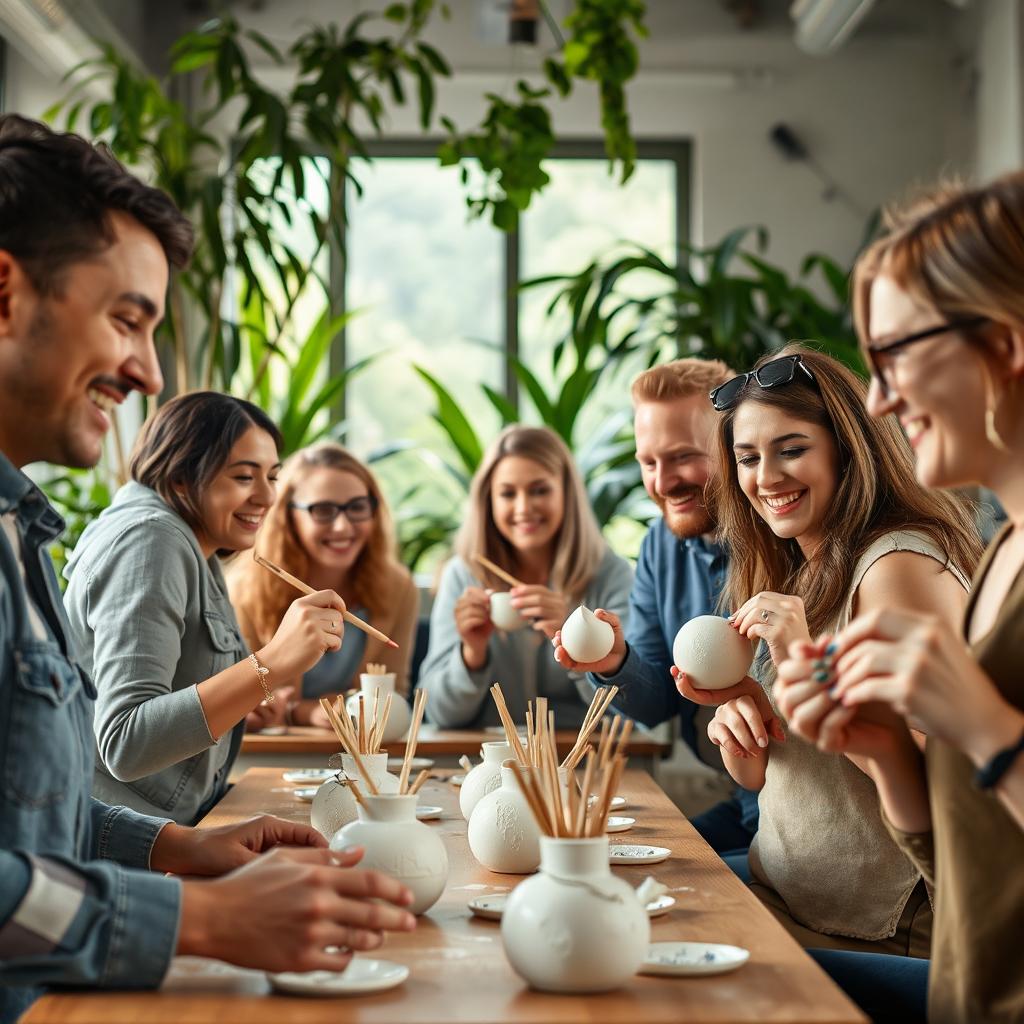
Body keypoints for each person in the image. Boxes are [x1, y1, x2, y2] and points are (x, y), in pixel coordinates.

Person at [0, 114, 414, 1024]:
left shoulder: (19, 529)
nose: (148, 372)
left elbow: (37, 816)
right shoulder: (148, 537)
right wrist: (198, 912)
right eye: (126, 319)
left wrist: (179, 851)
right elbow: (122, 743)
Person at [777, 177, 1024, 1023]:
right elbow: (969, 869)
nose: (876, 401)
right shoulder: (1001, 557)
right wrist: (887, 753)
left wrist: (983, 728)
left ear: (1004, 342)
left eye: (895, 358)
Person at [693, 342, 980, 957]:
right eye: (748, 458)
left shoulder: (897, 566)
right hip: (787, 892)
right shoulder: (802, 565)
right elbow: (777, 774)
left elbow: (948, 793)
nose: (765, 478)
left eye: (791, 449)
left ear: (848, 450)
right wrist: (743, 720)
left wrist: (807, 674)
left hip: (879, 928)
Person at [64, 392, 349, 825]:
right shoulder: (151, 541)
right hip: (123, 849)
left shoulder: (194, 542)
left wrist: (244, 699)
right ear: (181, 477)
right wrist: (269, 664)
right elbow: (125, 741)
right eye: (243, 477)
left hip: (170, 826)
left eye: (272, 476)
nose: (267, 496)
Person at [553, 358, 762, 857]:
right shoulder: (659, 545)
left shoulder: (779, 536)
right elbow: (656, 705)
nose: (663, 482)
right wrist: (614, 662)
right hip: (746, 799)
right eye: (649, 462)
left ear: (733, 447)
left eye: (684, 456)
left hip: (790, 810)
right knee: (615, 861)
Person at [418, 425, 633, 729]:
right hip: (487, 760)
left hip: (581, 760)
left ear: (567, 494)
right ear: (488, 501)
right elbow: (439, 715)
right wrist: (472, 653)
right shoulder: (464, 575)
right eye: (507, 493)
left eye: (539, 490)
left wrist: (576, 639)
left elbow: (628, 714)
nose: (523, 508)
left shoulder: (610, 574)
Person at [229, 441, 418, 729]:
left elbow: (391, 696)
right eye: (323, 510)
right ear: (288, 516)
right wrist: (300, 712)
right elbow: (241, 696)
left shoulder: (399, 588)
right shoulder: (246, 590)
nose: (343, 526)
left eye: (357, 507)